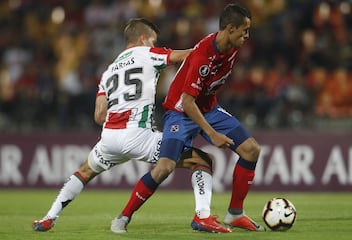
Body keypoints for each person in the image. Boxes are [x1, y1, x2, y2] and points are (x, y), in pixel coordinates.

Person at [32, 18, 231, 234]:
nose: (154, 46)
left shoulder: (109, 71)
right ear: (143, 38)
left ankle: (49, 218)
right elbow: (187, 55)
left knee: (84, 171)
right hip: (138, 135)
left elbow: (99, 115)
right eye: (153, 41)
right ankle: (202, 215)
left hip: (109, 138)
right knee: (202, 161)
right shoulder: (147, 54)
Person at [116, 4, 266, 232]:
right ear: (230, 28)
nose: (247, 36)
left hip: (208, 107)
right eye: (244, 30)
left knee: (251, 150)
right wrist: (213, 134)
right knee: (164, 167)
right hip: (180, 112)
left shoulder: (231, 45)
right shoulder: (203, 56)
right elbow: (187, 102)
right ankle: (123, 217)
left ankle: (235, 213)